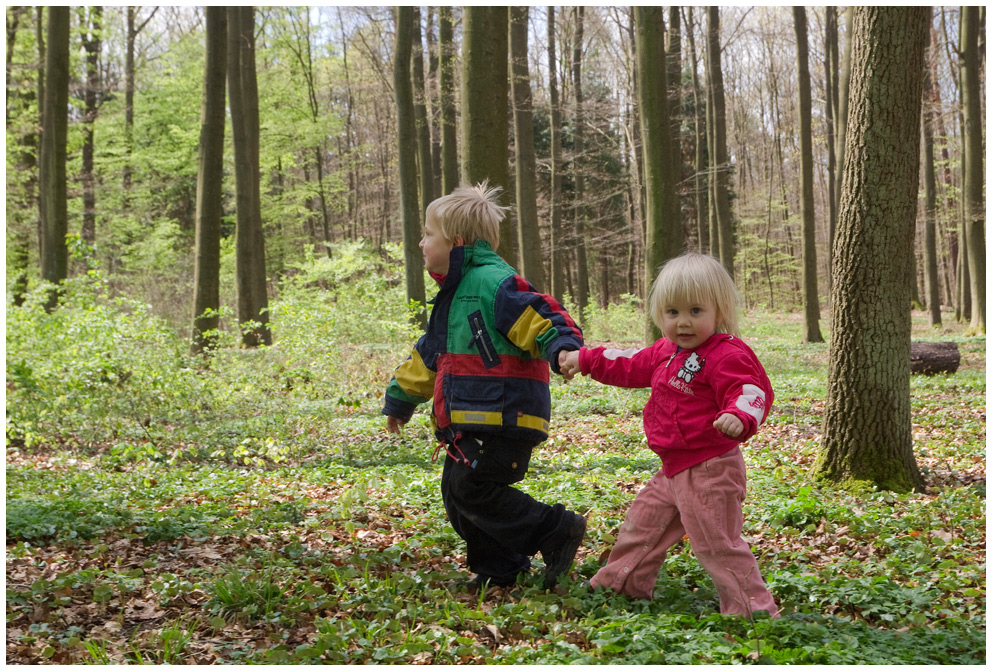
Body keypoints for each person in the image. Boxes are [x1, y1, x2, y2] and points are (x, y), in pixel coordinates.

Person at [383, 182, 586, 591]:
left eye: (428, 235)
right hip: (472, 418)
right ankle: (501, 569)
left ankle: (554, 528)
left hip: (503, 414)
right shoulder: (454, 295)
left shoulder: (494, 284)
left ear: (456, 242)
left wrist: (562, 348)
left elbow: (539, 317)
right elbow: (431, 355)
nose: (421, 243)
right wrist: (400, 397)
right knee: (457, 496)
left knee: (471, 488)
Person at [559, 253, 778, 617]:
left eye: (695, 310)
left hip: (711, 469)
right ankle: (621, 587)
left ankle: (752, 612)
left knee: (717, 545)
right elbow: (627, 362)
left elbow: (751, 390)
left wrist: (739, 416)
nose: (683, 322)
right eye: (672, 313)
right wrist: (585, 360)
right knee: (642, 526)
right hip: (673, 467)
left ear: (718, 311)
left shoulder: (726, 354)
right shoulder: (665, 351)